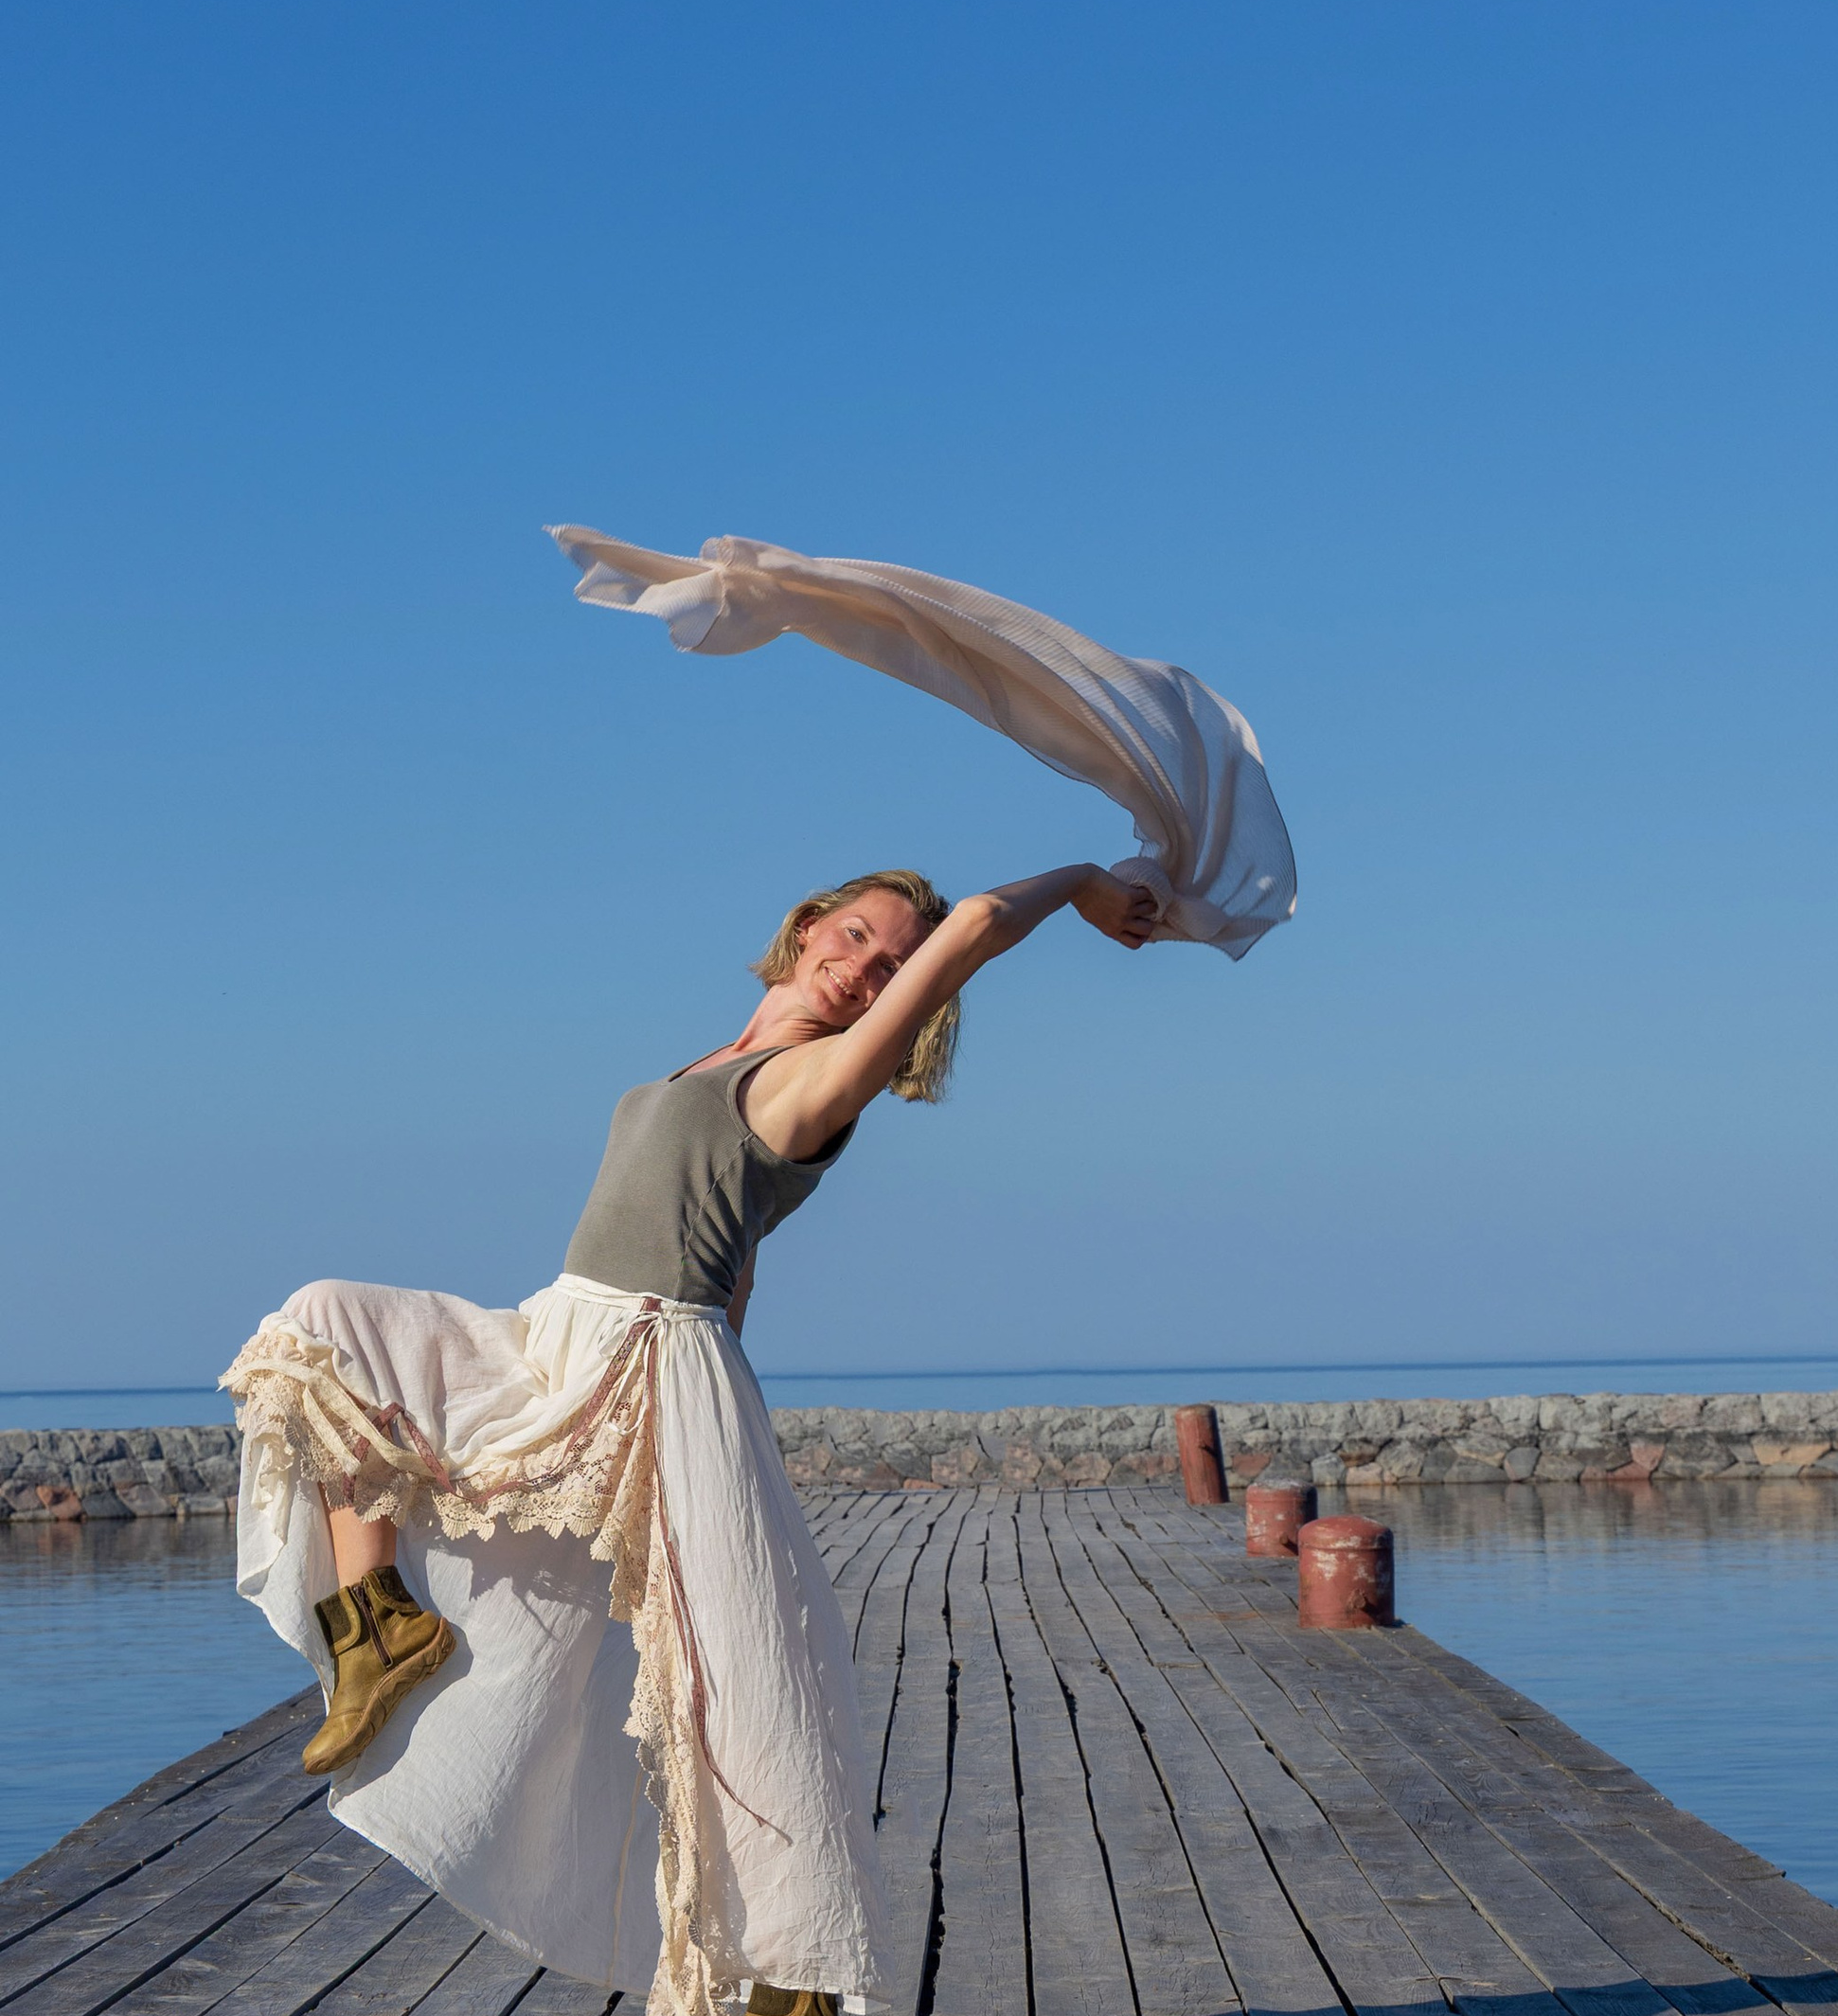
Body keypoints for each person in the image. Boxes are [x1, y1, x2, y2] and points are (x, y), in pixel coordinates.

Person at [223, 863, 1158, 2016]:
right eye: (853, 935)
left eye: (890, 965)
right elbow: (740, 1261)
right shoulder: (721, 1061)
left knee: (736, 1678)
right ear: (806, 926)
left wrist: (1085, 885)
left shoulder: (823, 1078)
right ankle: (379, 1625)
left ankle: (786, 1972)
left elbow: (972, 924)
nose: (861, 967)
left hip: (652, 1352)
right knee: (325, 1329)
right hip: (561, 1331)